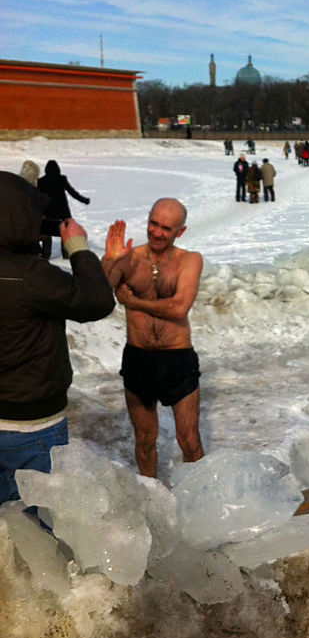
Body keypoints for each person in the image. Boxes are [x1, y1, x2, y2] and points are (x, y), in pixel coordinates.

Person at [0, 172, 115, 505]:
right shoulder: (32, 276)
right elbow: (96, 301)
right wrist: (78, 249)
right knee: (38, 521)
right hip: (31, 424)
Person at [102, 199, 204, 478]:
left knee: (190, 442)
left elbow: (179, 307)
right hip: (138, 358)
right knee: (145, 441)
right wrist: (110, 260)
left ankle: (201, 502)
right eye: (153, 224)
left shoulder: (190, 260)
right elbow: (96, 295)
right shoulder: (129, 259)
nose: (157, 232)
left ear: (179, 232)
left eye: (166, 228)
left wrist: (133, 302)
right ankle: (151, 498)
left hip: (177, 358)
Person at [37, 159, 90, 259]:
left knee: (47, 233)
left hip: (47, 211)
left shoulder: (40, 181)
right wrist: (84, 200)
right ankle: (66, 254)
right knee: (65, 231)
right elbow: (72, 192)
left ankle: (46, 255)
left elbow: (37, 197)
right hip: (62, 211)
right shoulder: (62, 179)